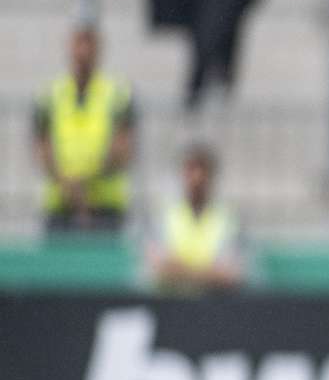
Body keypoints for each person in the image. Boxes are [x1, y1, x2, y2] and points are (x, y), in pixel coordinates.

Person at [35, 23, 136, 234]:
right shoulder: (50, 94)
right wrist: (66, 183)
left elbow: (122, 147)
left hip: (105, 203)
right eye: (78, 43)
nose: (83, 51)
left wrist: (84, 182)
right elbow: (42, 146)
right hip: (60, 203)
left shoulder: (117, 93)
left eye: (89, 44)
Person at [147, 143, 245, 293]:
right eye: (191, 169)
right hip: (170, 307)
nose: (197, 178)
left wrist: (181, 270)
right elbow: (158, 268)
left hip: (214, 307)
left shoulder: (228, 219)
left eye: (203, 170)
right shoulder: (164, 214)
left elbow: (231, 274)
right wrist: (207, 272)